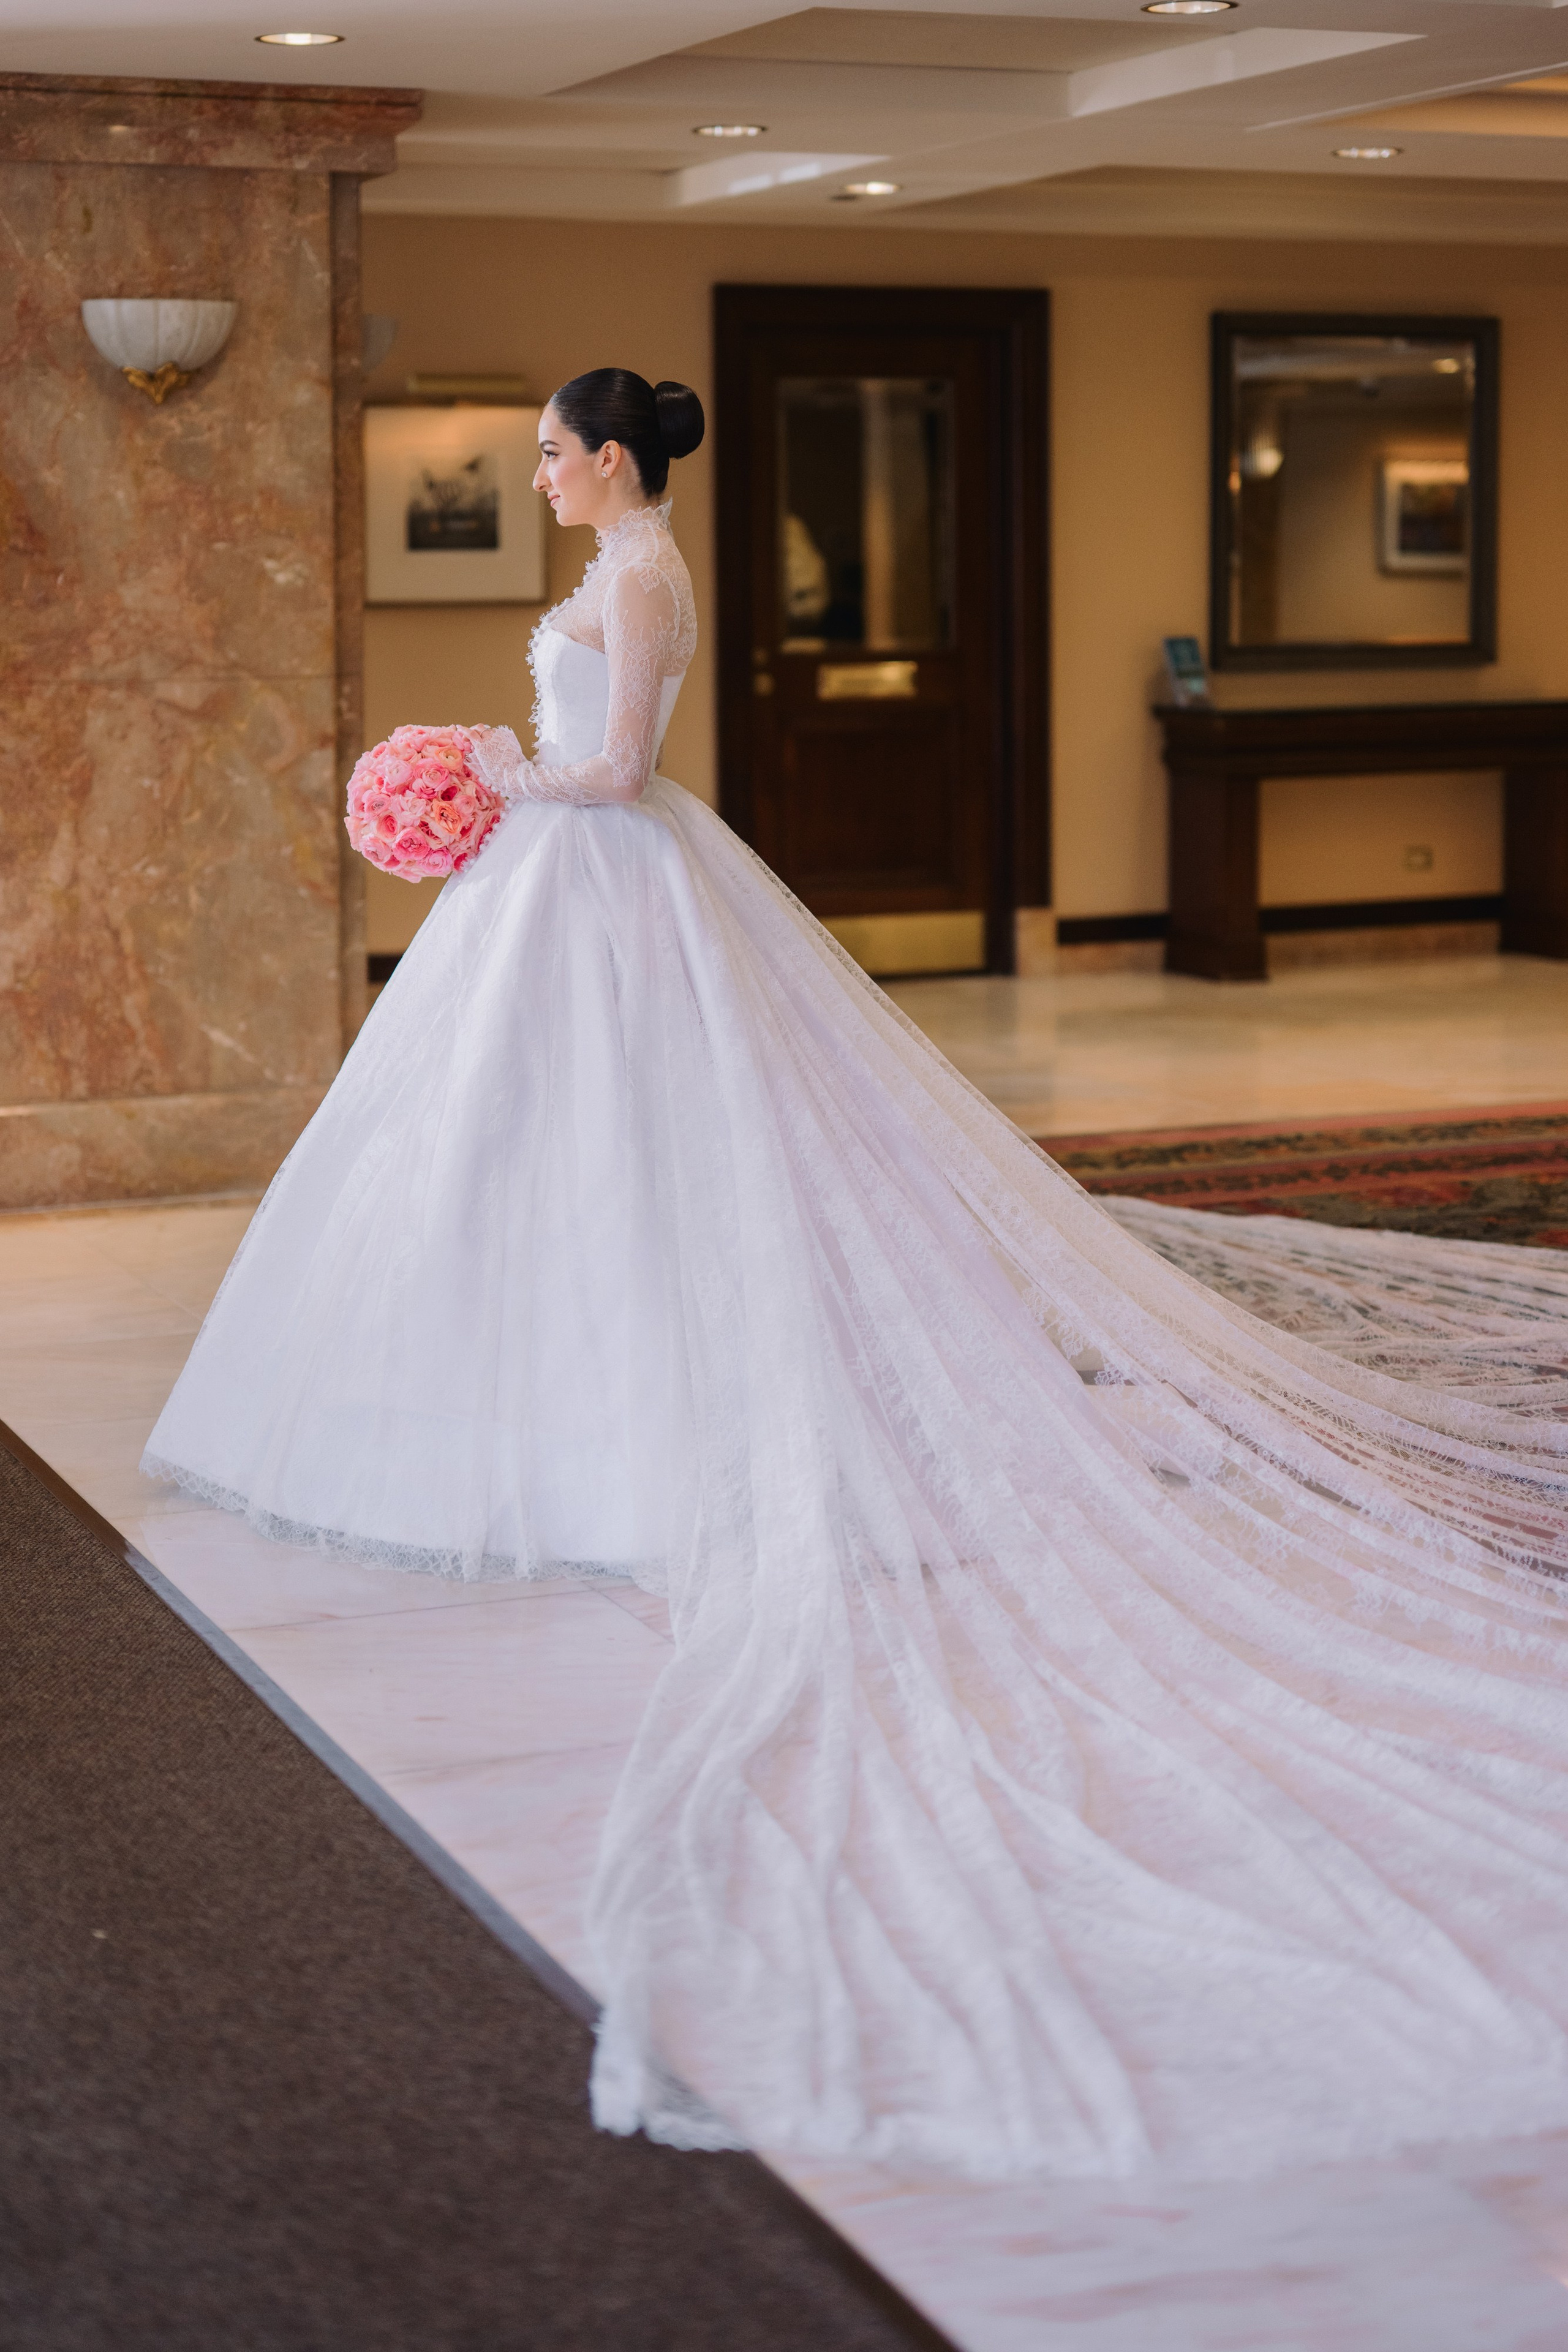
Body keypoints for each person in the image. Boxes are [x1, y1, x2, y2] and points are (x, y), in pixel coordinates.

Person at [145, 367, 1568, 2184]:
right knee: (507, 1155)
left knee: (628, 1160)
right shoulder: (618, 562)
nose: (544, 481)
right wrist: (491, 791)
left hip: (603, 879)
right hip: (553, 902)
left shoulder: (646, 578)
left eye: (557, 458)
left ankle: (640, 1435)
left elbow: (623, 770)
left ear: (617, 463)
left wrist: (497, 774)